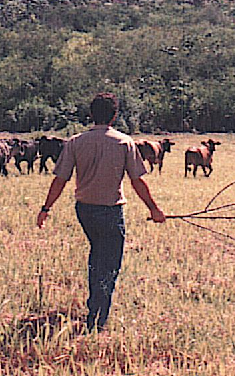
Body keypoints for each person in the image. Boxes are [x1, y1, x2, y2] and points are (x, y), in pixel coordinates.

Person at [36, 93, 166, 331]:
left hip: (84, 210)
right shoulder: (124, 142)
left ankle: (95, 306)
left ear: (91, 114)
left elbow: (60, 179)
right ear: (114, 116)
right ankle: (97, 319)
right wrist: (154, 209)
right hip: (110, 211)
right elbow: (137, 181)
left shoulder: (75, 142)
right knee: (109, 265)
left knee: (98, 256)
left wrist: (46, 208)